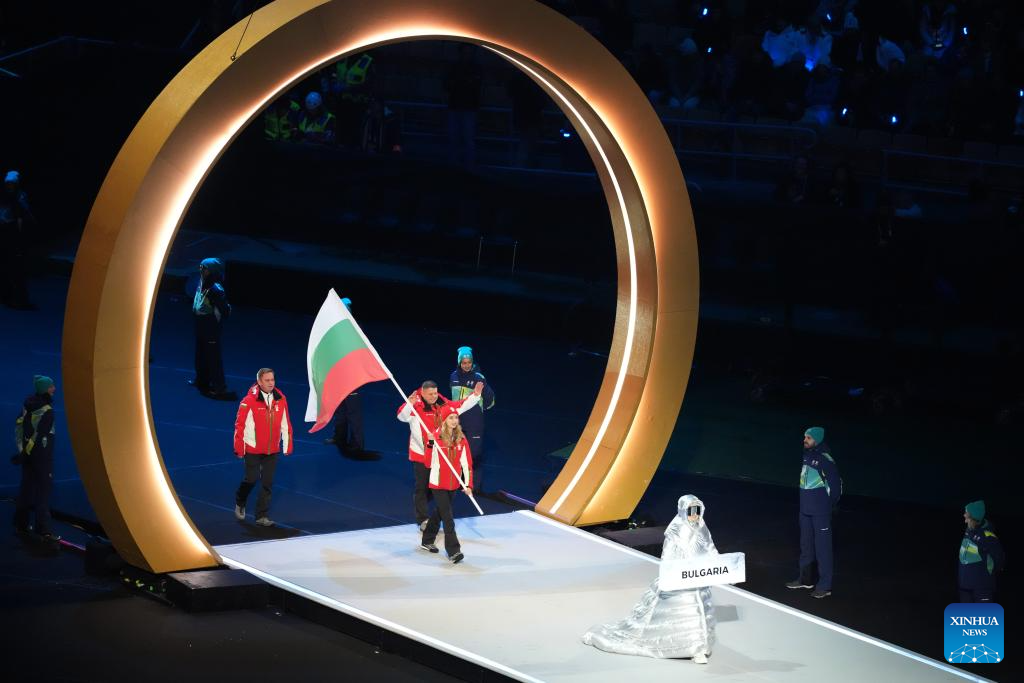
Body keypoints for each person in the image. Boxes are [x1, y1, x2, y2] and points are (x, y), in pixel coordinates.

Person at [583, 495, 716, 663]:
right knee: (686, 612)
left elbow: (710, 547)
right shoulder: (676, 529)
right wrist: (671, 572)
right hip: (680, 577)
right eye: (691, 511)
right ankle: (689, 647)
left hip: (697, 576)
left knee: (697, 612)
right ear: (683, 511)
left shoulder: (701, 528)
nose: (694, 514)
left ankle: (699, 648)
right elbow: (667, 554)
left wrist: (722, 567)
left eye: (697, 510)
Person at [397, 379, 481, 530]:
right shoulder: (415, 405)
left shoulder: (442, 402)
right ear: (423, 393)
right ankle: (423, 519)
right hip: (421, 455)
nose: (434, 396)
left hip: (440, 455)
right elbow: (401, 417)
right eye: (430, 394)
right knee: (422, 487)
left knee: (441, 489)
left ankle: (437, 517)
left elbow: (459, 406)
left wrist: (475, 396)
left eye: (435, 393)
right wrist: (409, 404)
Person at [233, 368, 293, 526]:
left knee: (267, 483)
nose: (271, 383)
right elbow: (240, 426)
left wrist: (287, 445)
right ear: (259, 382)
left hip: (272, 449)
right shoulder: (248, 401)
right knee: (251, 479)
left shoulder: (281, 399)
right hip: (252, 448)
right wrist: (239, 448)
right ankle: (240, 500)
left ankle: (261, 516)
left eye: (272, 380)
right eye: (267, 380)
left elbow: (285, 423)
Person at [787, 426, 840, 598]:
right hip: (805, 510)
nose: (805, 440)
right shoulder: (807, 456)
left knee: (823, 549)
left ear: (816, 439)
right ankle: (805, 579)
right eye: (805, 437)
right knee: (806, 546)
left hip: (820, 512)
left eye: (808, 438)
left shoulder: (826, 459)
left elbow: (835, 487)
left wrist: (827, 506)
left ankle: (825, 586)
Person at [420, 405, 474, 564]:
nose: (454, 420)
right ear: (444, 420)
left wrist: (468, 485)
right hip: (438, 484)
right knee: (448, 518)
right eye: (450, 418)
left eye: (456, 417)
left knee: (439, 512)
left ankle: (427, 540)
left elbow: (467, 464)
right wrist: (430, 444)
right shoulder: (435, 437)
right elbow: (428, 463)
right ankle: (454, 551)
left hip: (453, 484)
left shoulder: (461, 438)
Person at [13, 375, 59, 542]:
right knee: (43, 493)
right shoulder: (47, 410)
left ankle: (21, 524)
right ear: (45, 389)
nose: (54, 389)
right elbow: (40, 436)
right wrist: (28, 452)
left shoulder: (27, 405)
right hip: (42, 457)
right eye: (51, 386)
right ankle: (43, 530)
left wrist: (22, 452)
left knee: (26, 489)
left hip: (27, 456)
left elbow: (18, 427)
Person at [449, 346, 495, 492]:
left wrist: (479, 409)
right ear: (459, 362)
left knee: (474, 453)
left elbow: (490, 399)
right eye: (464, 362)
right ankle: (460, 481)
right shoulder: (453, 376)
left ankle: (475, 485)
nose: (467, 365)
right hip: (458, 421)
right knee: (457, 450)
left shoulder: (478, 378)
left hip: (474, 422)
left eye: (469, 362)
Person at [324, 299, 365, 456]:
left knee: (353, 413)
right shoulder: (335, 329)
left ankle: (358, 444)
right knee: (339, 410)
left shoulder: (354, 329)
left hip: (351, 378)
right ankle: (339, 438)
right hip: (338, 377)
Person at [188, 258, 232, 398]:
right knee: (200, 355)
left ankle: (220, 388)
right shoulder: (202, 282)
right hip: (200, 323)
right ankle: (201, 380)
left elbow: (225, 310)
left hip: (210, 325)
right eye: (201, 266)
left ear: (212, 270)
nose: (200, 269)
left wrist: (215, 318)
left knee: (213, 357)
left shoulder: (215, 289)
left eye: (204, 267)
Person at [958, 500, 1005, 603]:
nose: (964, 515)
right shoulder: (969, 531)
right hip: (965, 587)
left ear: (973, 517)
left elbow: (999, 560)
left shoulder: (988, 536)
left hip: (982, 588)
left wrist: (985, 575)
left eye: (966, 513)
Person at [0, 170, 35, 309]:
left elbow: (23, 217)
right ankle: (7, 295)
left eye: (12, 184)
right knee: (5, 266)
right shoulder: (5, 197)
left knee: (16, 268)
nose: (9, 187)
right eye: (8, 184)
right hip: (5, 232)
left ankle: (19, 298)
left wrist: (20, 236)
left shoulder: (20, 197)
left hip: (14, 234)